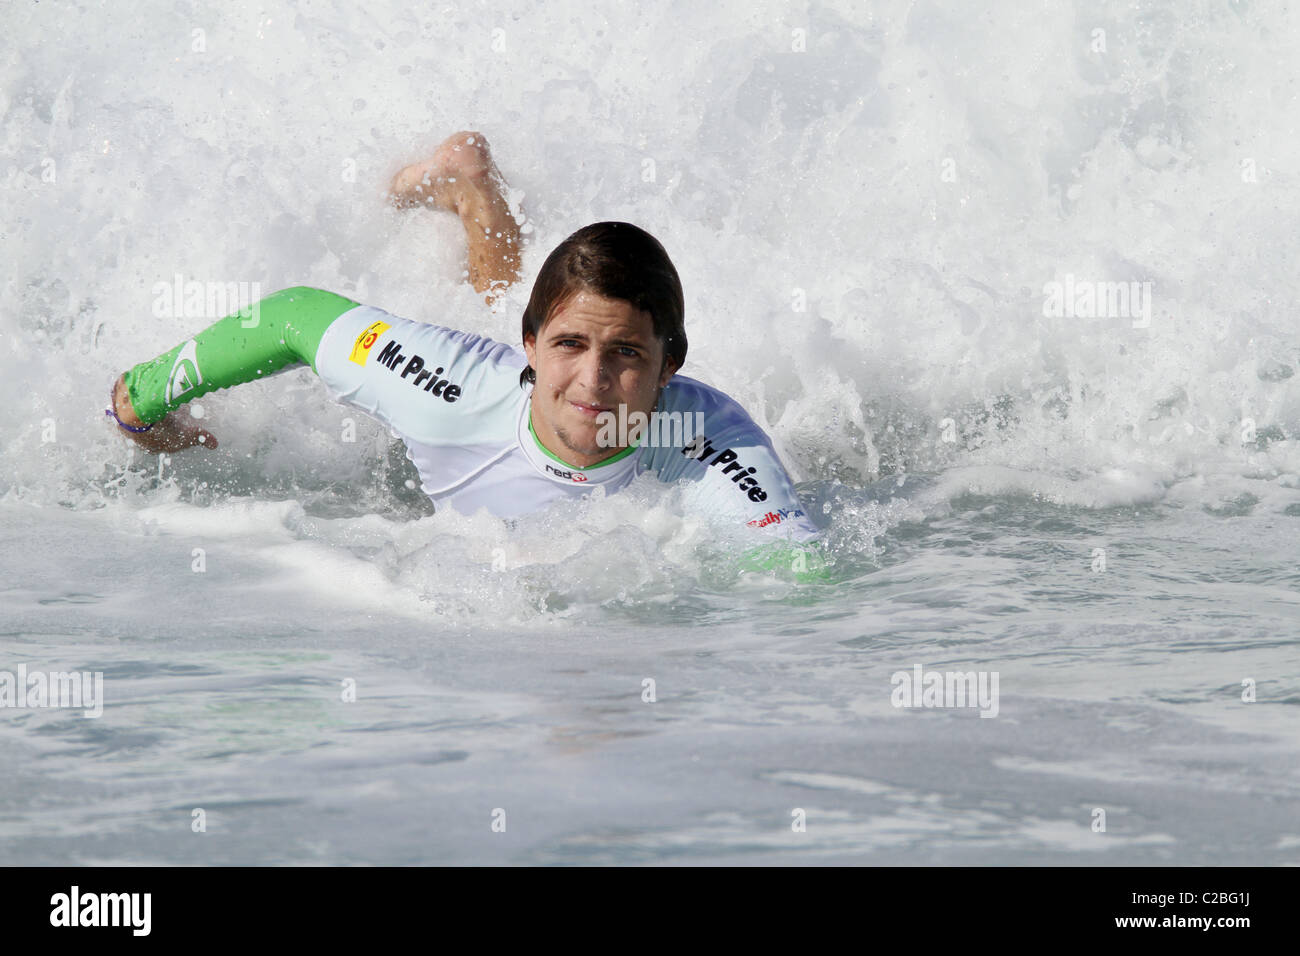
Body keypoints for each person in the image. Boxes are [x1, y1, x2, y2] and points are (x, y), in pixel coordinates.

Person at [106, 132, 820, 543]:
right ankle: (468, 190)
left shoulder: (706, 441)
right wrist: (146, 395)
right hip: (478, 379)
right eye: (570, 345)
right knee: (485, 304)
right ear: (532, 345)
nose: (596, 381)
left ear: (671, 366)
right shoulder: (443, 390)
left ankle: (474, 189)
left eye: (628, 353)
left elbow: (797, 573)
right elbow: (297, 316)